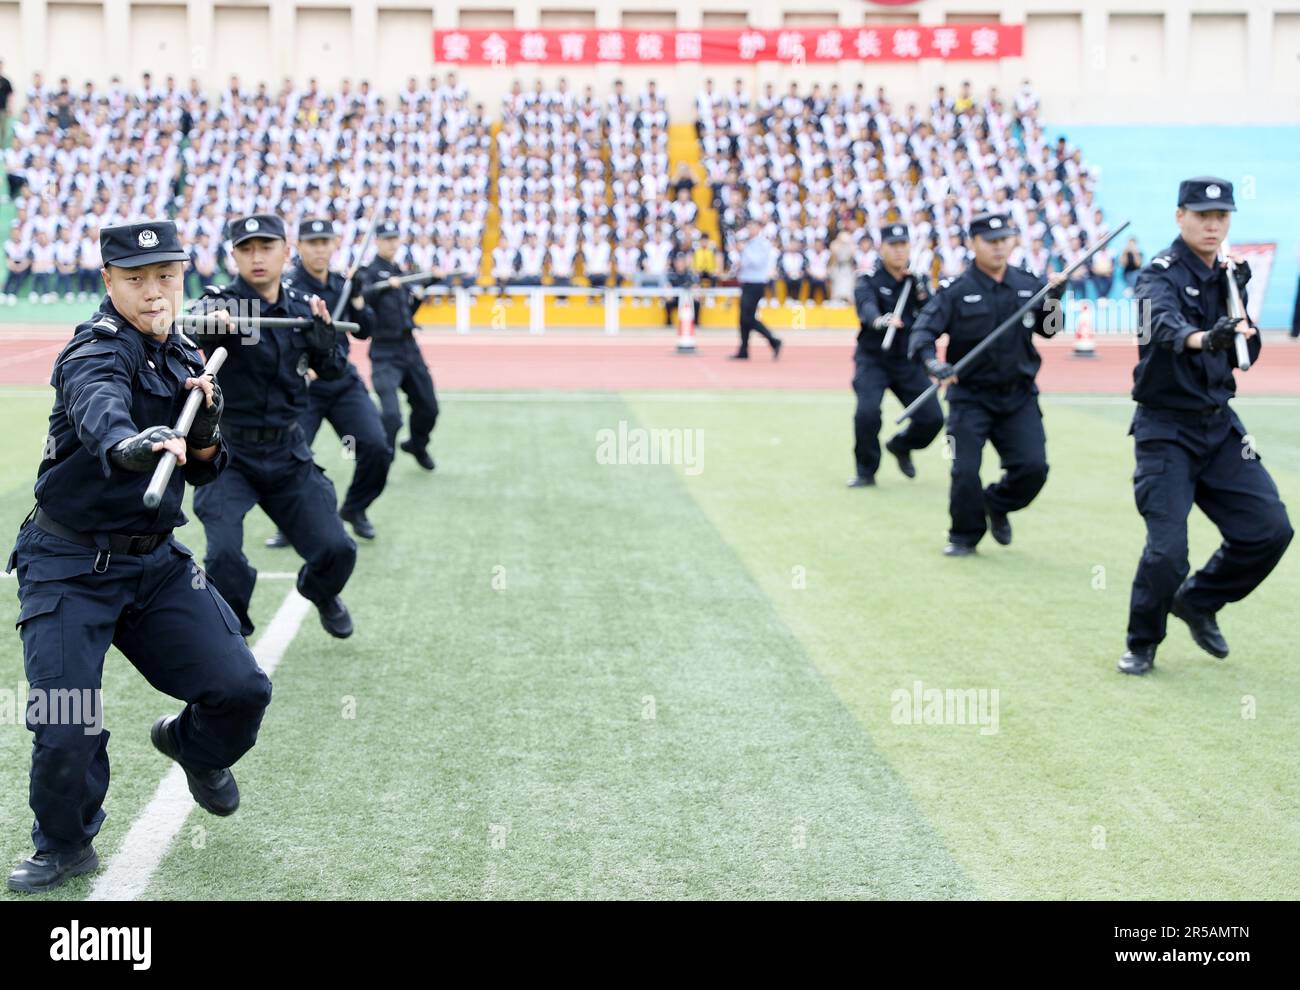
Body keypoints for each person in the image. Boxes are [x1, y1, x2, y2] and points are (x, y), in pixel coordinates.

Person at [6, 220, 271, 893]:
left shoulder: (187, 357)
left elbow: (208, 471)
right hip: (66, 563)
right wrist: (132, 445)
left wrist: (206, 429)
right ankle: (65, 844)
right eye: (136, 278)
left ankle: (191, 746)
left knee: (242, 690)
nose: (153, 292)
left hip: (153, 563)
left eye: (165, 276)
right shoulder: (93, 351)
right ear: (109, 282)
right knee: (68, 722)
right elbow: (100, 411)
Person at [1118, 177, 1293, 675]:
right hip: (1165, 429)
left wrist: (1239, 337)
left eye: (1222, 216)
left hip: (1219, 427)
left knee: (1269, 530)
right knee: (1167, 552)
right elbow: (1163, 326)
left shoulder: (1233, 275)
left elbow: (1244, 352)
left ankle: (1197, 600)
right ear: (1180, 216)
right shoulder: (1158, 274)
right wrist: (1203, 339)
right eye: (1201, 215)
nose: (1213, 224)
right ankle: (1142, 642)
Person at [190, 213, 357, 639]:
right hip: (229, 454)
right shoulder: (227, 304)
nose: (257, 257)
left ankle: (319, 591)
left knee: (337, 550)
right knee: (224, 555)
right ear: (234, 257)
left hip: (288, 452)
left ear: (286, 252)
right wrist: (210, 324)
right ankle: (235, 628)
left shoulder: (302, 309)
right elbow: (196, 317)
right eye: (246, 249)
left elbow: (335, 372)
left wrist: (326, 345)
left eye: (266, 247)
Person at [909, 212, 1067, 555]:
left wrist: (1055, 299)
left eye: (1004, 240)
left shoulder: (1028, 283)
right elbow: (923, 331)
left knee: (1033, 469)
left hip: (1019, 397)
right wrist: (933, 363)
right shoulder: (955, 291)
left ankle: (996, 503)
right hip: (969, 398)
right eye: (990, 242)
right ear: (972, 244)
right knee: (963, 470)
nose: (999, 248)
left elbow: (1050, 329)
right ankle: (963, 535)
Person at [263, 219, 387, 548]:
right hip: (303, 385)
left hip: (343, 381)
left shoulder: (343, 285)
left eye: (325, 242)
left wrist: (358, 297)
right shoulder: (286, 286)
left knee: (376, 446)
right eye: (312, 242)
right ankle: (290, 523)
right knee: (291, 456)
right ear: (299, 247)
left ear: (335, 244)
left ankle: (355, 509)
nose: (319, 249)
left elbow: (364, 330)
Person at [849, 224, 945, 487]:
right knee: (867, 414)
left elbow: (933, 314)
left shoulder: (916, 281)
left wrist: (922, 291)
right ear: (883, 248)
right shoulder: (868, 279)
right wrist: (881, 320)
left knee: (933, 418)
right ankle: (865, 471)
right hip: (873, 359)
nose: (900, 251)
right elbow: (866, 307)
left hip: (907, 360)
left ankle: (901, 445)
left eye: (904, 245)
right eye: (894, 245)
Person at [360, 220, 439, 471]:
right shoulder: (369, 273)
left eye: (395, 239)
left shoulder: (401, 273)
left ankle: (417, 444)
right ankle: (384, 457)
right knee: (391, 416)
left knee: (428, 407)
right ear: (377, 241)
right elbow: (364, 299)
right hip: (384, 351)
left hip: (409, 348)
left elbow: (407, 312)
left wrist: (421, 292)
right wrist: (383, 288)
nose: (392, 243)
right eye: (387, 239)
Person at [731, 219, 782, 360]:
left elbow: (757, 263)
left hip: (756, 283)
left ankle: (773, 340)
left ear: (759, 228)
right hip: (747, 282)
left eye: (753, 227)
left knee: (747, 318)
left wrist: (744, 251)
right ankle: (744, 350)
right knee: (743, 319)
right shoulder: (749, 243)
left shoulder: (763, 244)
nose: (750, 230)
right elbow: (745, 264)